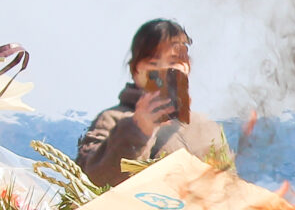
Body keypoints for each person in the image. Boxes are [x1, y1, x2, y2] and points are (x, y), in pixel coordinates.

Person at [76, 18, 229, 189]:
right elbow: (91, 182)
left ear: (187, 66)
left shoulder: (206, 129)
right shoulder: (112, 120)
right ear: (135, 70)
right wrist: (137, 131)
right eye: (153, 64)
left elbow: (229, 191)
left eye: (173, 64)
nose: (163, 73)